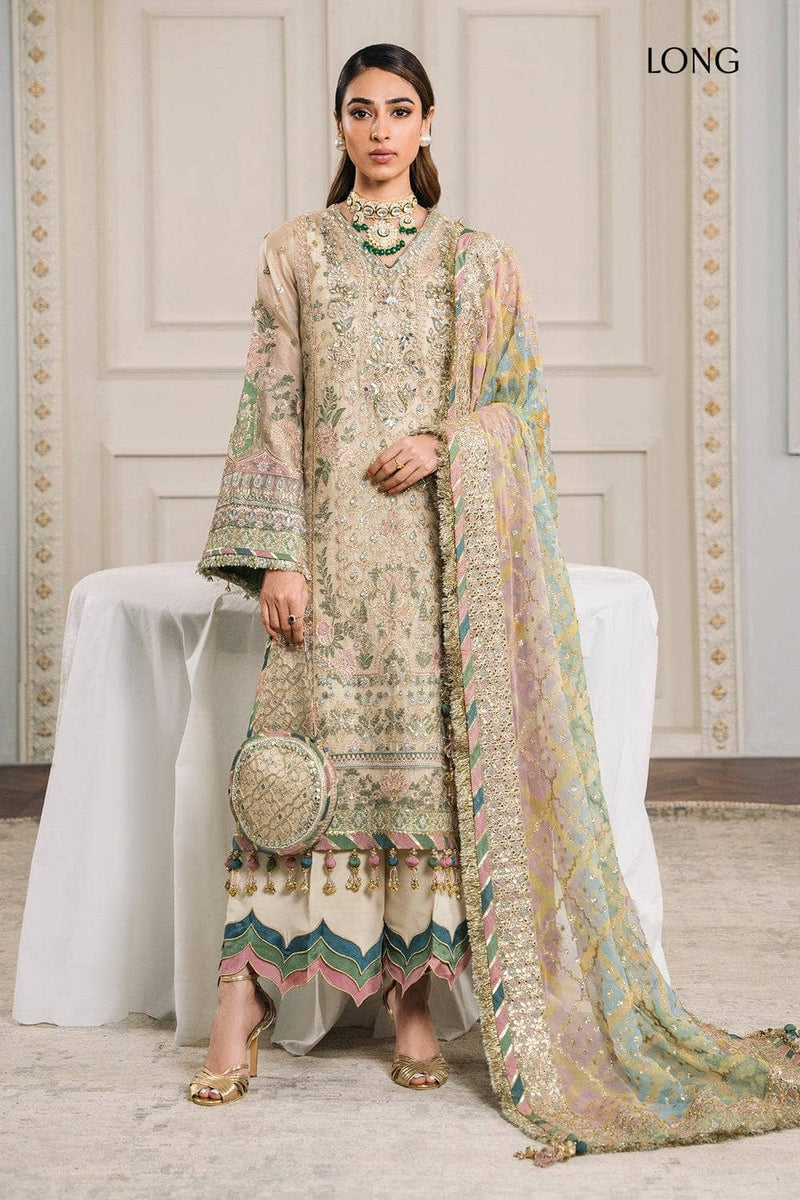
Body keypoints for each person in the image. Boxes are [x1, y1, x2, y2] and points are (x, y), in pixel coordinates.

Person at [191, 42, 800, 1166]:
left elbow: (520, 408)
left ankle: (414, 1003)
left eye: (400, 110)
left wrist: (446, 442)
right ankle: (244, 1000)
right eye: (361, 110)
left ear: (428, 125)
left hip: (437, 561)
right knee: (292, 776)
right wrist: (277, 558)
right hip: (327, 558)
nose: (380, 129)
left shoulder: (477, 263)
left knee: (424, 779)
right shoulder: (295, 253)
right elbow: (268, 405)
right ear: (339, 126)